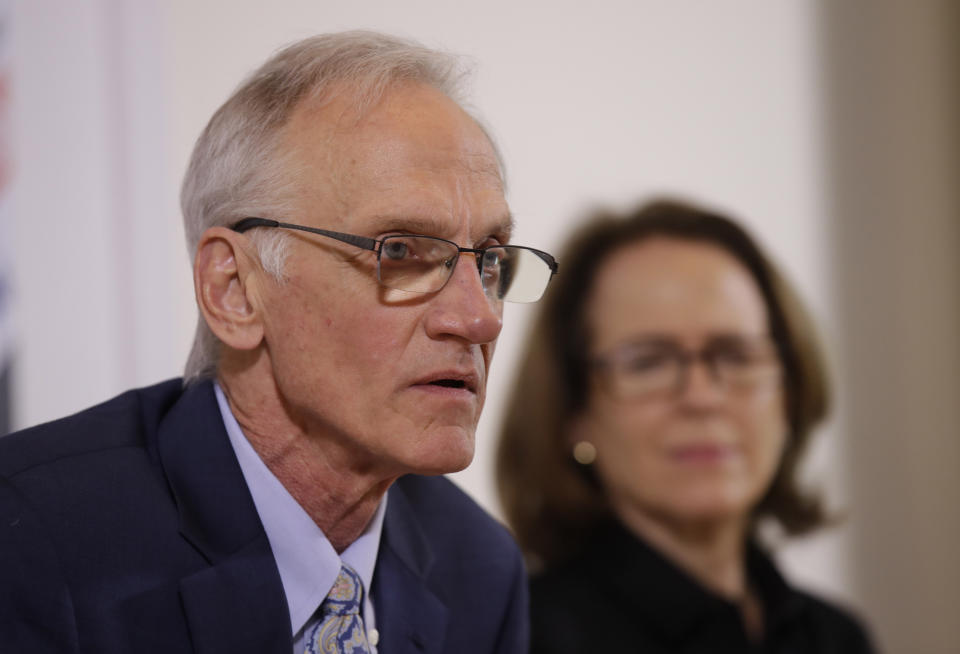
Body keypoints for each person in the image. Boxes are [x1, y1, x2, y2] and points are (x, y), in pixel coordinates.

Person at [0, 31, 558, 654]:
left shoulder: (478, 571)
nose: (479, 319)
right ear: (235, 290)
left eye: (487, 261)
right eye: (399, 252)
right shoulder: (30, 542)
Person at [496, 199, 876, 653]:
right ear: (573, 412)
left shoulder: (836, 637)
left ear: (789, 394)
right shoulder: (519, 637)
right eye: (648, 362)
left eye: (736, 355)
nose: (702, 397)